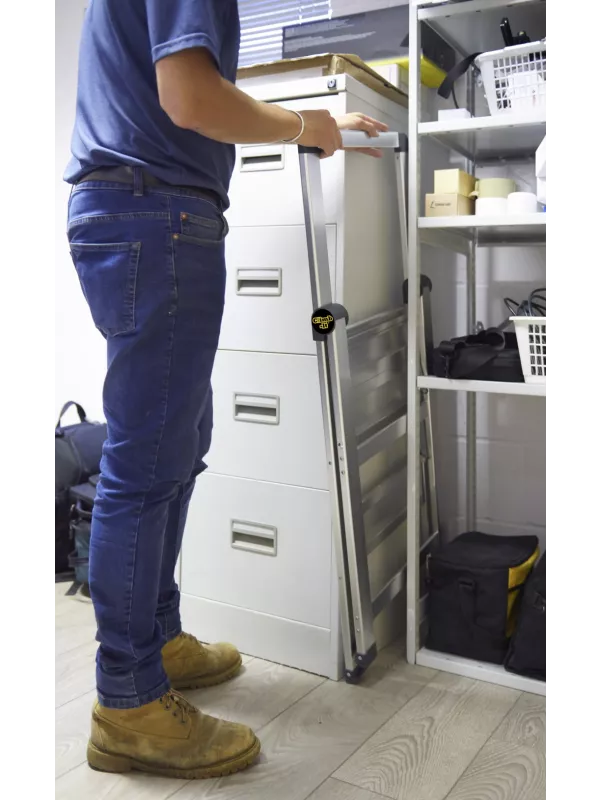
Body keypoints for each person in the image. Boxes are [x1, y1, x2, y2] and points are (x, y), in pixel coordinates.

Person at [65, 0, 388, 780]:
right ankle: (129, 702)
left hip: (146, 211)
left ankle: (156, 641)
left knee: (174, 448)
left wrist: (306, 122)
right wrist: (304, 126)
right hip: (155, 213)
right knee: (148, 463)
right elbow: (191, 98)